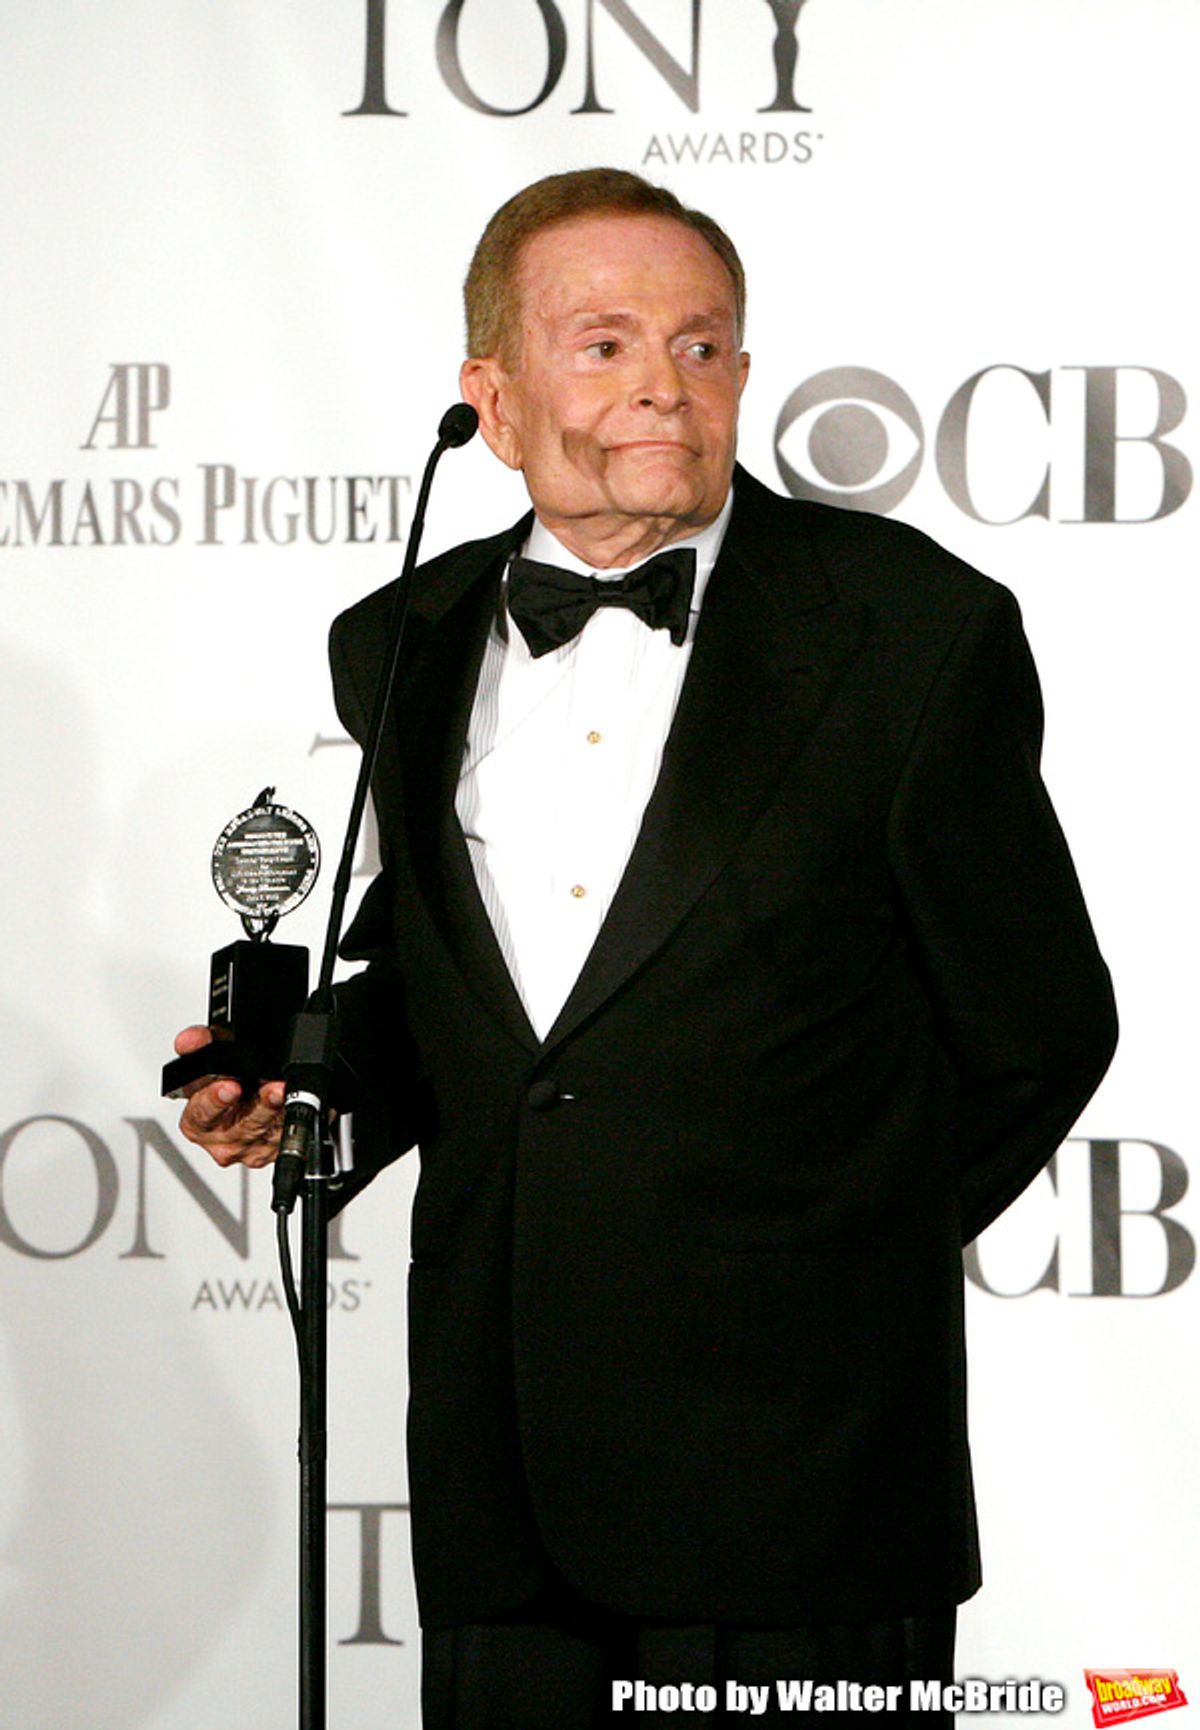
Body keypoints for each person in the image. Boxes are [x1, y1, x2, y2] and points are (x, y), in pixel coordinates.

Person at [176, 167, 1117, 1727]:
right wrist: (306, 1078)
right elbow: (446, 986)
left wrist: (834, 1253)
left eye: (702, 346)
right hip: (503, 1479)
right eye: (604, 344)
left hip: (805, 1485)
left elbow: (1040, 1022)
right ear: (491, 394)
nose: (663, 388)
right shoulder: (394, 642)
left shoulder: (912, 630)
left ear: (743, 373)